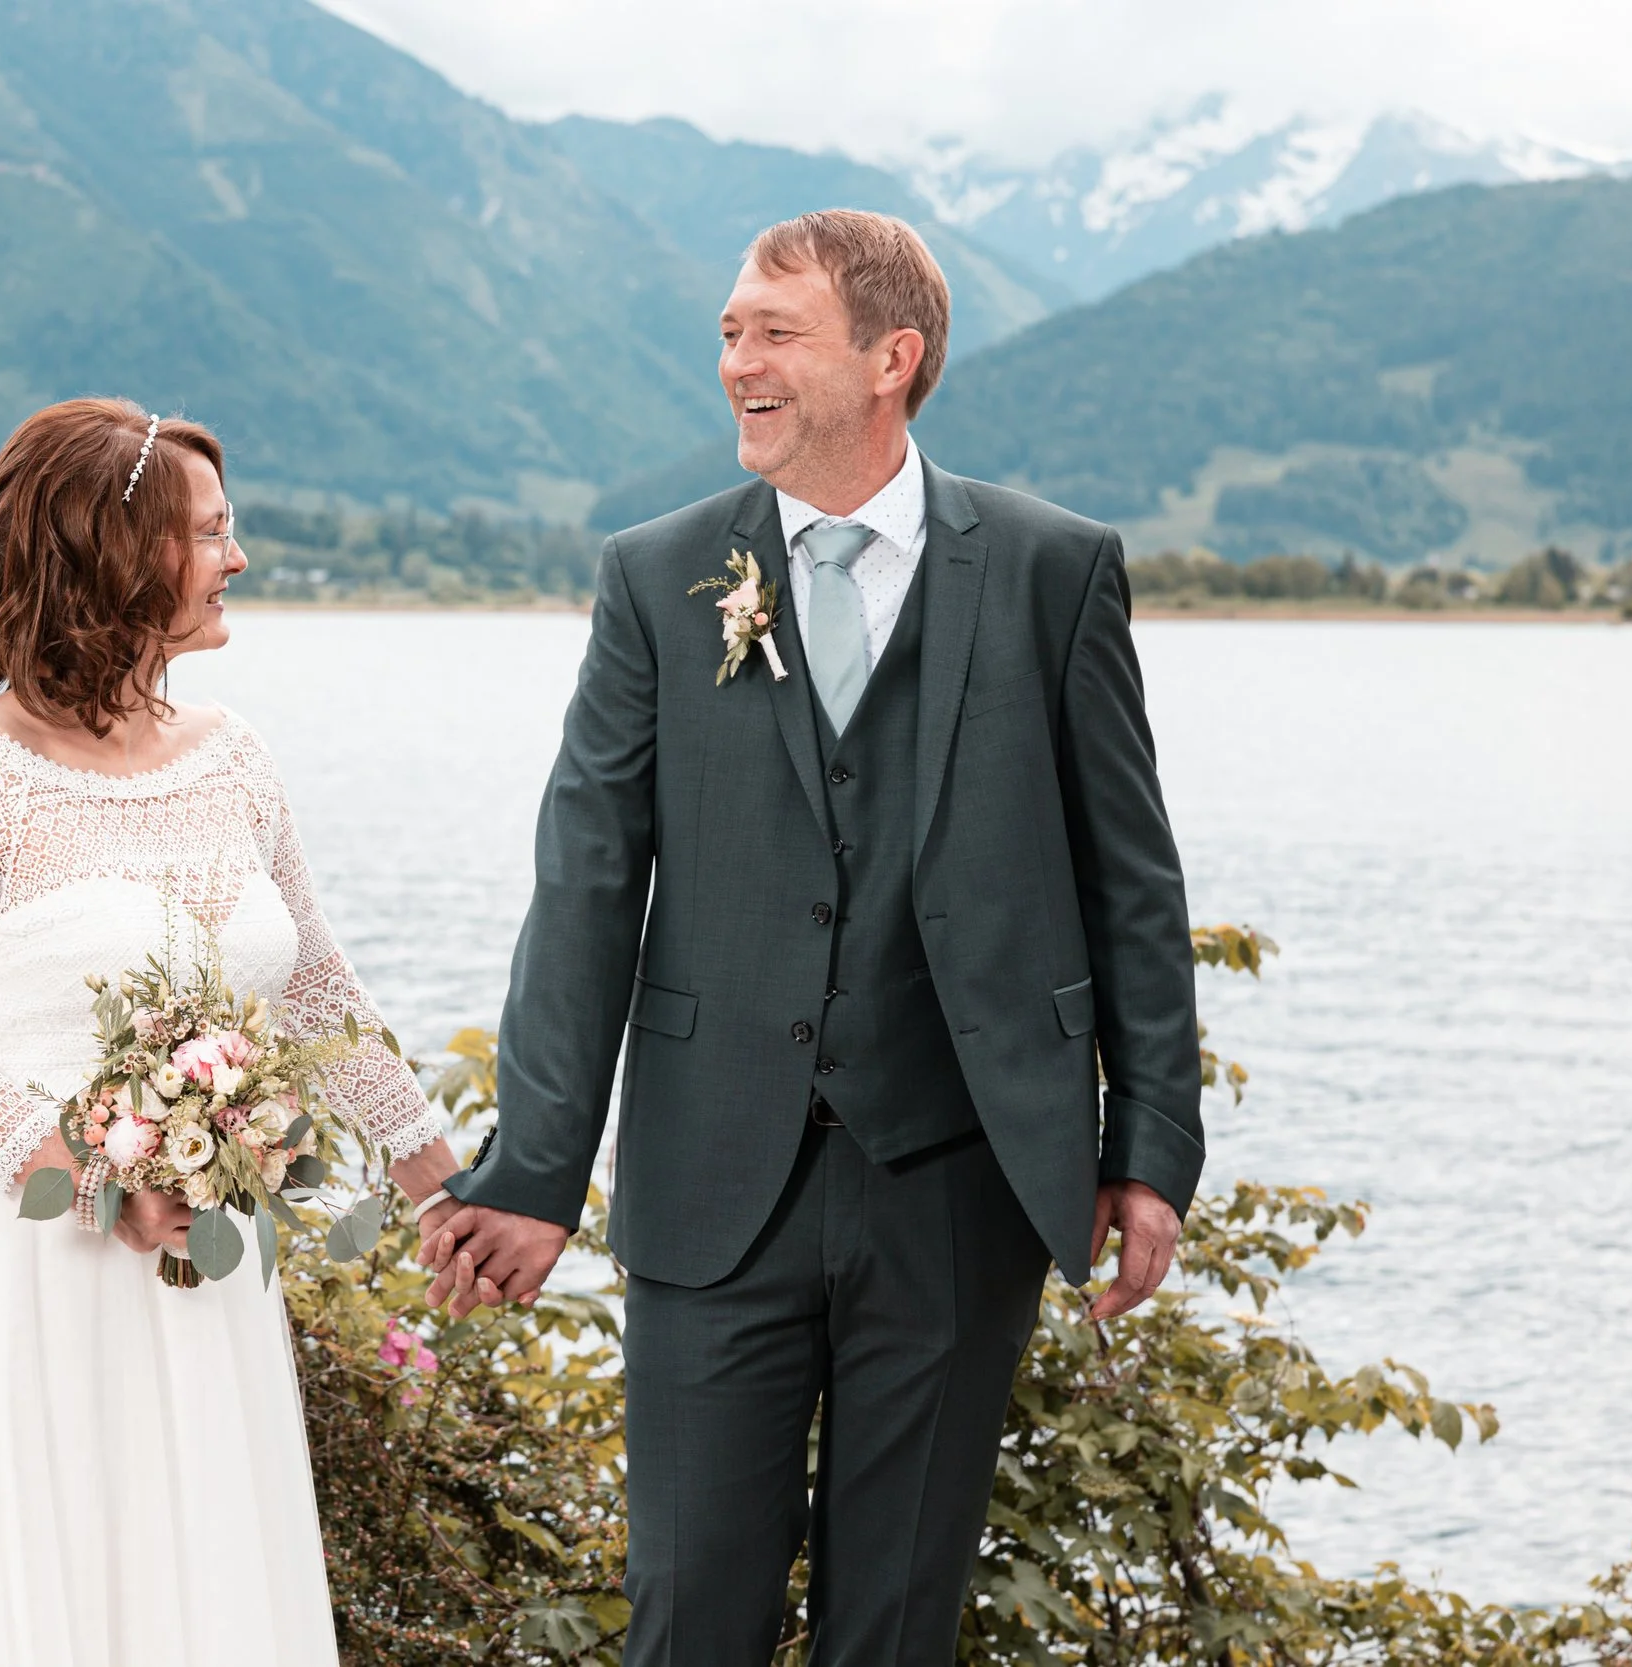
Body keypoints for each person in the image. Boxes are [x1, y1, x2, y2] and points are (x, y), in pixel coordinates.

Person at [424, 210, 1203, 1663]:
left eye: (774, 333)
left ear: (889, 357)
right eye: (730, 332)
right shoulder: (658, 577)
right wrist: (534, 1166)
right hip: (715, 1178)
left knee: (895, 1627)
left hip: (961, 1178)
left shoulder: (1052, 569)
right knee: (690, 1620)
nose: (736, 363)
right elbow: (588, 879)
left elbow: (1130, 879)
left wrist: (1148, 1143)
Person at [0, 398, 471, 1665]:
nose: (238, 556)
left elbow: (318, 988)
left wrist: (435, 1180)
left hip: (202, 1286)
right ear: (116, 557)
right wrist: (95, 1181)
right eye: (213, 532)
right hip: (27, 1277)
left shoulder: (235, 758)